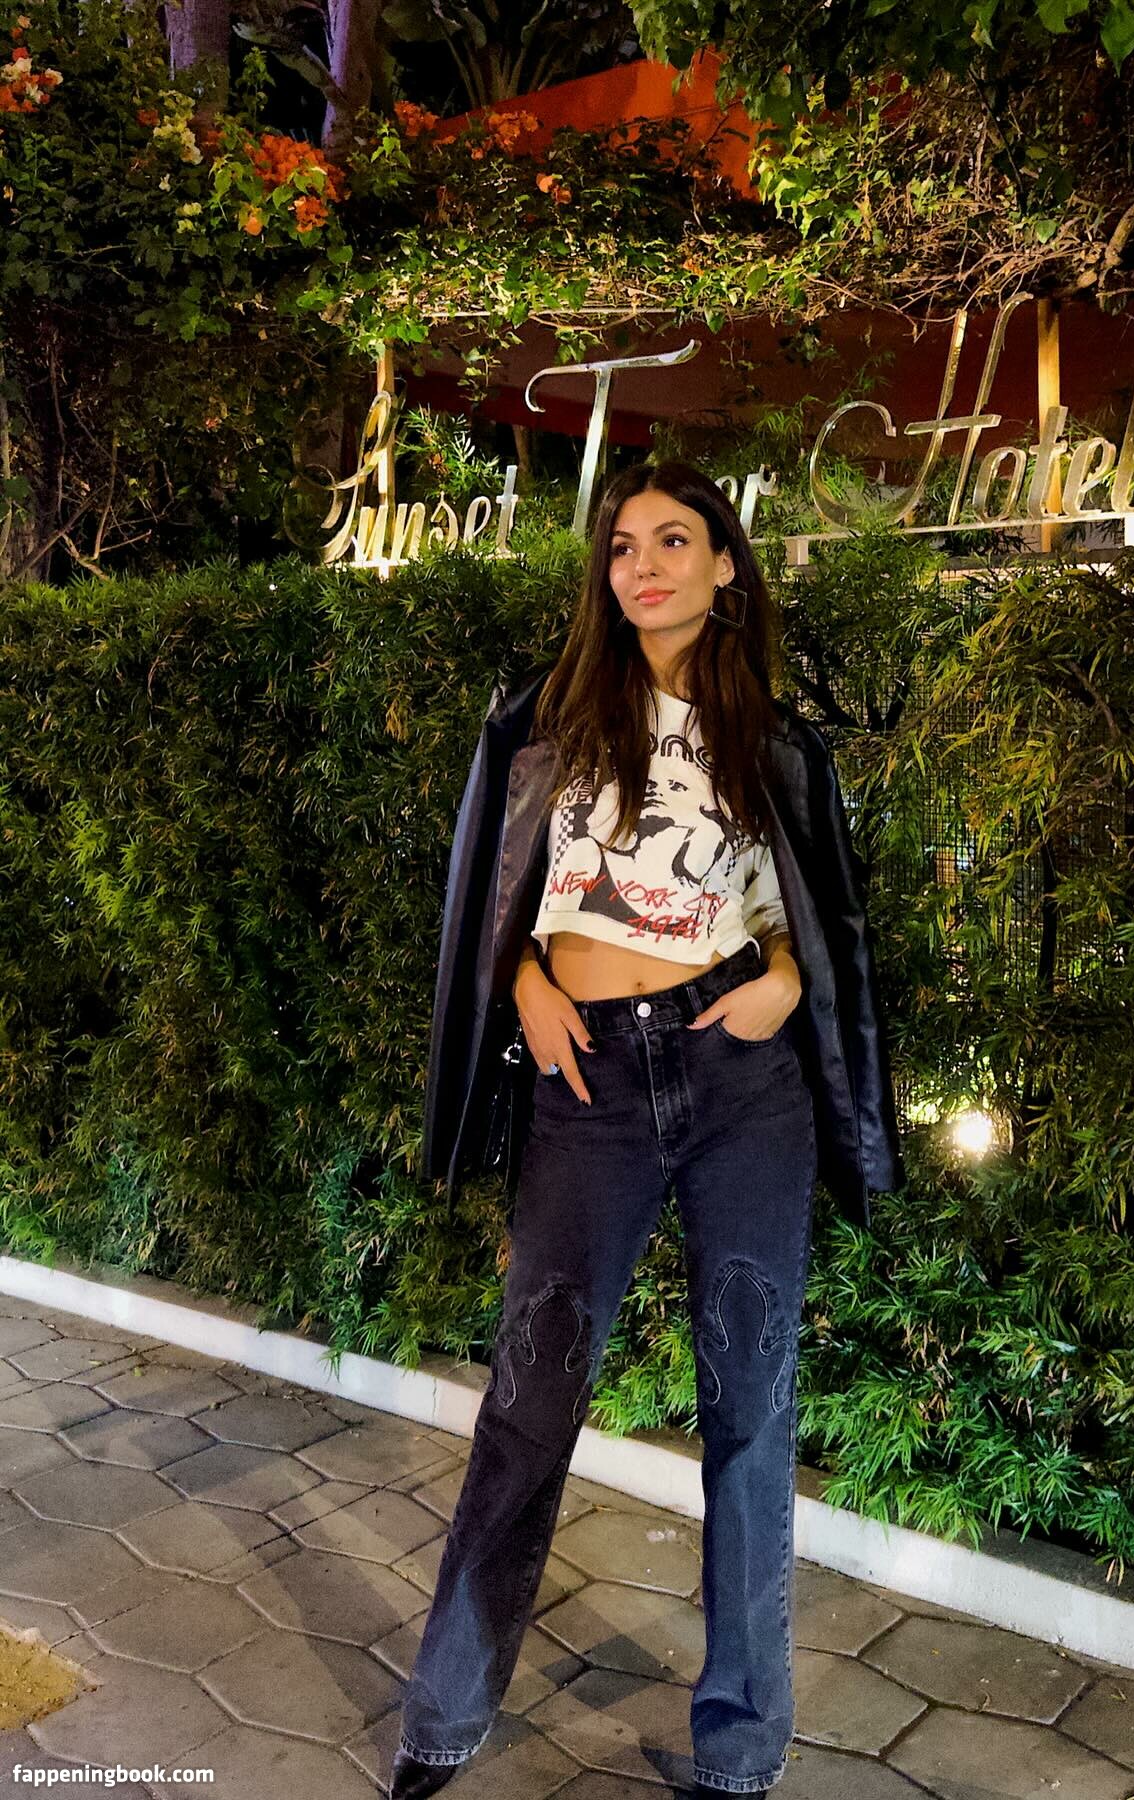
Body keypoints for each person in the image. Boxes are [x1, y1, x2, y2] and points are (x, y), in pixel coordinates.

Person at [391, 460, 904, 1800]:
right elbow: (497, 894)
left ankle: (741, 1748)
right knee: (530, 1398)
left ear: (726, 564)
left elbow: (813, 915)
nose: (645, 567)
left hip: (742, 1081)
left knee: (751, 1410)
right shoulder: (543, 720)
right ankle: (445, 1714)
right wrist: (524, 985)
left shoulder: (774, 740)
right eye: (623, 546)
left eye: (675, 541)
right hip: (590, 1081)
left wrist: (780, 981)